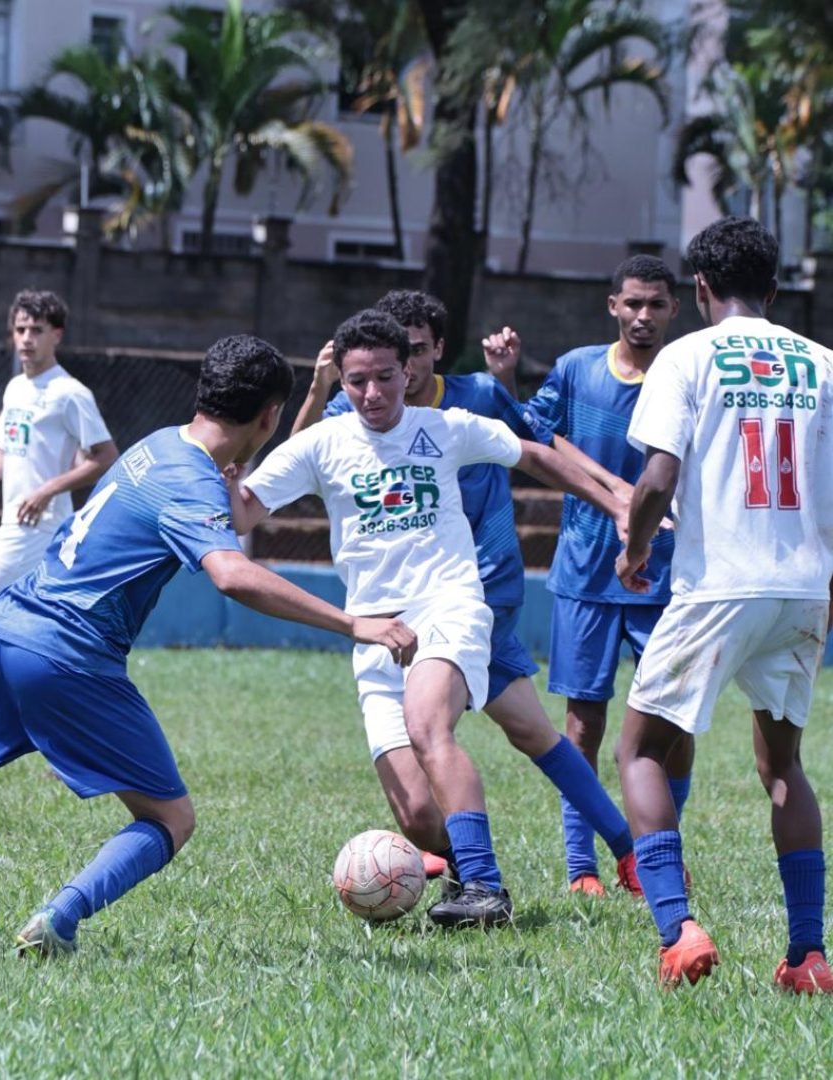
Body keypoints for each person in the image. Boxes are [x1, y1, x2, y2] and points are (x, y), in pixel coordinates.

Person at [0, 335, 416, 959]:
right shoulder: (190, 480)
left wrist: (307, 401)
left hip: (6, 627)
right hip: (66, 654)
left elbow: (241, 502)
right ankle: (58, 919)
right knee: (171, 818)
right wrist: (354, 623)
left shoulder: (159, 446)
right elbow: (231, 573)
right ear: (266, 417)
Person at [231, 308, 640, 929]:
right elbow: (242, 512)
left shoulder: (446, 426)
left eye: (385, 377)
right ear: (341, 380)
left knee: (431, 725)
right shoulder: (322, 442)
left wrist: (616, 505)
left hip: (451, 607)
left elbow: (533, 454)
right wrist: (226, 469)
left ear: (409, 370)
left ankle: (485, 887)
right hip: (374, 633)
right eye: (357, 381)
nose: (372, 393)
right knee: (419, 814)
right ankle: (461, 866)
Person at [614, 216, 833, 991]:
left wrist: (635, 548)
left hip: (719, 585)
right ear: (772, 289)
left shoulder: (686, 357)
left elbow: (657, 479)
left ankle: (678, 931)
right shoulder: (822, 362)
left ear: (700, 287)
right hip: (803, 587)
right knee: (784, 765)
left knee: (639, 752)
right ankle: (807, 956)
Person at [491, 256, 695, 896]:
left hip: (671, 577)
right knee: (583, 722)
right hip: (585, 572)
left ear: (675, 309)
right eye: (633, 303)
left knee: (675, 724)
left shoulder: (688, 374)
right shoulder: (578, 369)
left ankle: (659, 854)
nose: (643, 315)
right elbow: (532, 435)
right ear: (613, 306)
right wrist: (505, 378)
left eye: (656, 304)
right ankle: (582, 867)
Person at [0, 289, 119, 649]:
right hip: (22, 524)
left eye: (37, 330)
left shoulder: (70, 393)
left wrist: (47, 489)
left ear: (57, 335)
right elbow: (6, 457)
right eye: (20, 329)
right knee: (25, 632)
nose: (27, 338)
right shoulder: (16, 388)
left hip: (32, 527)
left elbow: (106, 456)